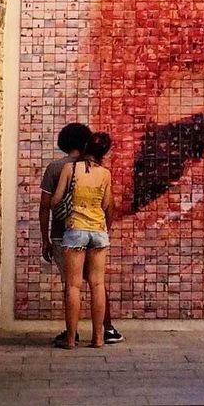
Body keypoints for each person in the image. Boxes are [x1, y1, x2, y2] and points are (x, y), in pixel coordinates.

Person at [39, 123, 122, 346]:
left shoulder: (63, 168)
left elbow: (51, 202)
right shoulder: (105, 173)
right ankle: (100, 336)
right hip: (98, 232)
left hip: (72, 231)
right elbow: (108, 205)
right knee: (97, 284)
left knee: (73, 285)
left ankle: (71, 336)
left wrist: (64, 204)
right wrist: (106, 229)